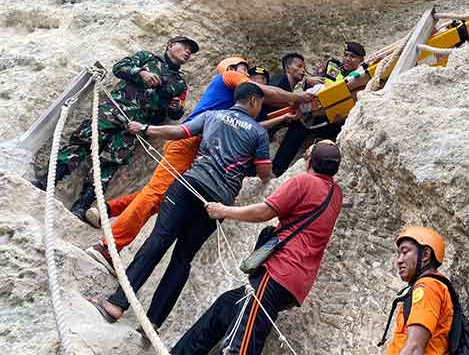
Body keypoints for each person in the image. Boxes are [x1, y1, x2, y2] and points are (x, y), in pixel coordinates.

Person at [83, 57, 311, 273]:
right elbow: (261, 94)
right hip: (189, 142)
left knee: (163, 195)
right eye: (245, 69)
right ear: (232, 68)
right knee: (157, 193)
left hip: (197, 148)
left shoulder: (231, 104)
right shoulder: (230, 77)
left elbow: (254, 126)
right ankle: (108, 246)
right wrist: (301, 97)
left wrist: (282, 119)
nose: (248, 75)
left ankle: (109, 210)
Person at [89, 82, 274, 328]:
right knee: (183, 259)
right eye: (260, 104)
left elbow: (180, 132)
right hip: (217, 201)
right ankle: (153, 322)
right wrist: (262, 172)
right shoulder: (258, 133)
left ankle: (116, 304)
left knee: (157, 242)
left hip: (189, 185)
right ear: (253, 101)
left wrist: (145, 129)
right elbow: (263, 171)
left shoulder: (213, 116)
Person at [170, 140, 343, 354]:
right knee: (227, 306)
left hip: (277, 272)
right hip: (297, 282)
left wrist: (223, 210)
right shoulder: (336, 195)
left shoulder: (304, 182)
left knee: (241, 345)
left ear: (310, 162)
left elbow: (264, 212)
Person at [35, 36, 197, 222]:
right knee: (81, 144)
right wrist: (141, 73)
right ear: (170, 45)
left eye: (190, 52)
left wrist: (175, 109)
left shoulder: (180, 84)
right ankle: (47, 181)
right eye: (184, 46)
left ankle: (82, 205)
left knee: (109, 164)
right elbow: (119, 68)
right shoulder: (147, 58)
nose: (187, 52)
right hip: (112, 111)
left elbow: (175, 113)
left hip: (134, 127)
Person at [271, 43, 365, 177]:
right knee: (297, 126)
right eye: (346, 55)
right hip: (313, 114)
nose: (348, 59)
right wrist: (308, 81)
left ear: (361, 60)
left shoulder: (362, 77)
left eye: (353, 56)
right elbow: (308, 87)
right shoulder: (332, 67)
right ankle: (277, 170)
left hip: (337, 122)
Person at [383, 227, 453, 355]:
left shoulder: (428, 287)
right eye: (398, 254)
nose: (399, 260)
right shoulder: (434, 286)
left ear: (425, 254)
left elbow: (414, 348)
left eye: (405, 252)